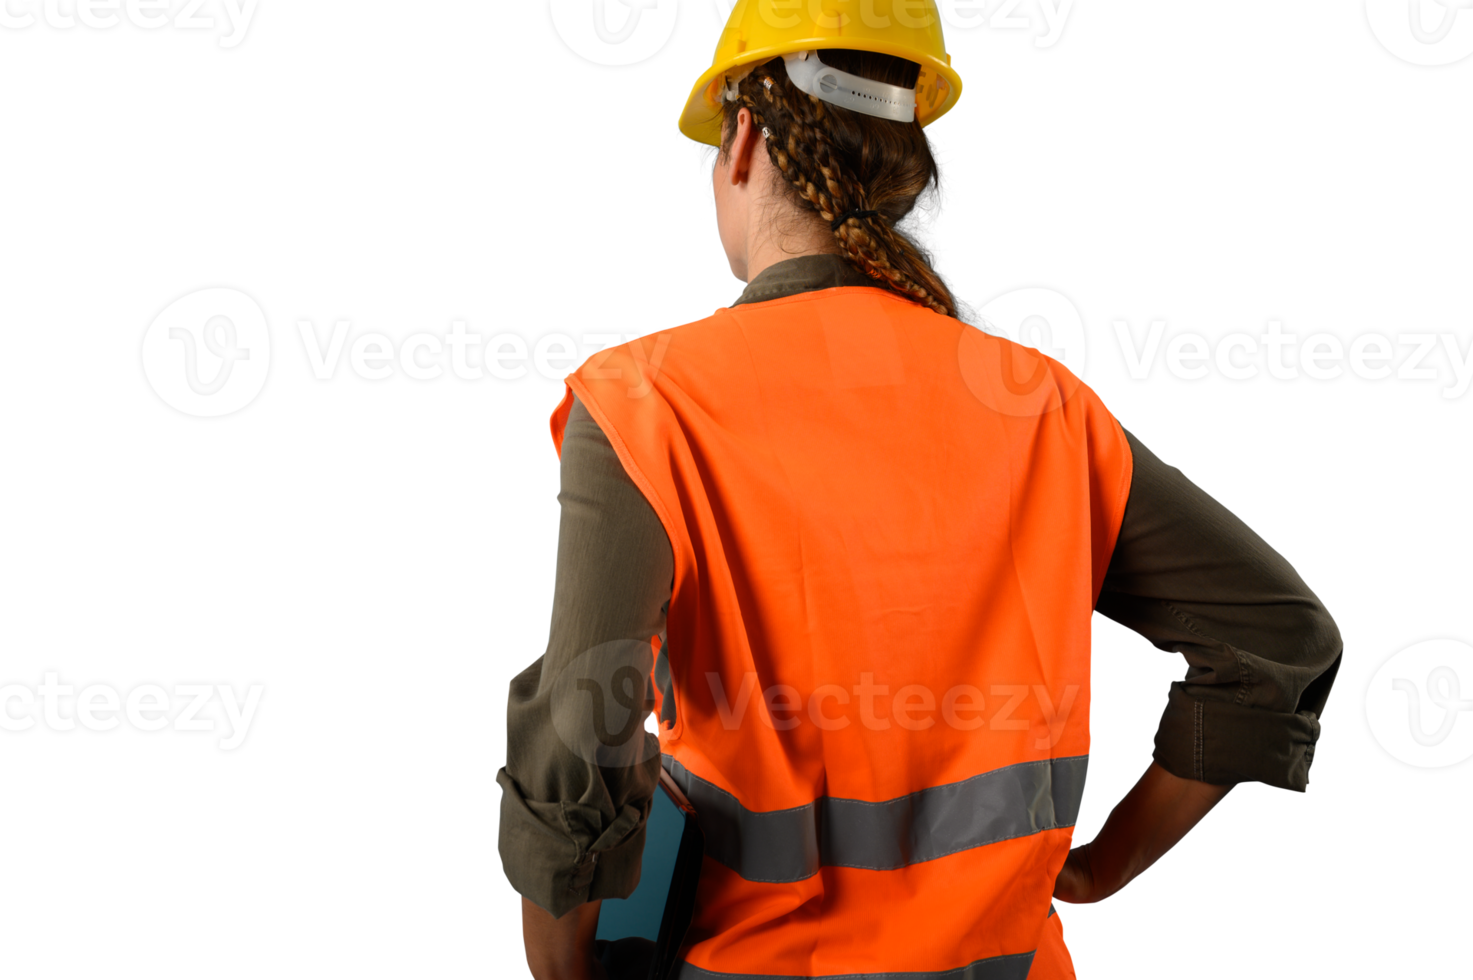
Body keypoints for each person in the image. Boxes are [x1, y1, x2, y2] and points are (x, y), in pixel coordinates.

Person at [497, 3, 1345, 979]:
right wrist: (1109, 863)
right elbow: (1283, 636)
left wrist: (562, 971)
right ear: (906, 163)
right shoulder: (1042, 406)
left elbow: (580, 726)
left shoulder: (650, 400)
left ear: (741, 143)